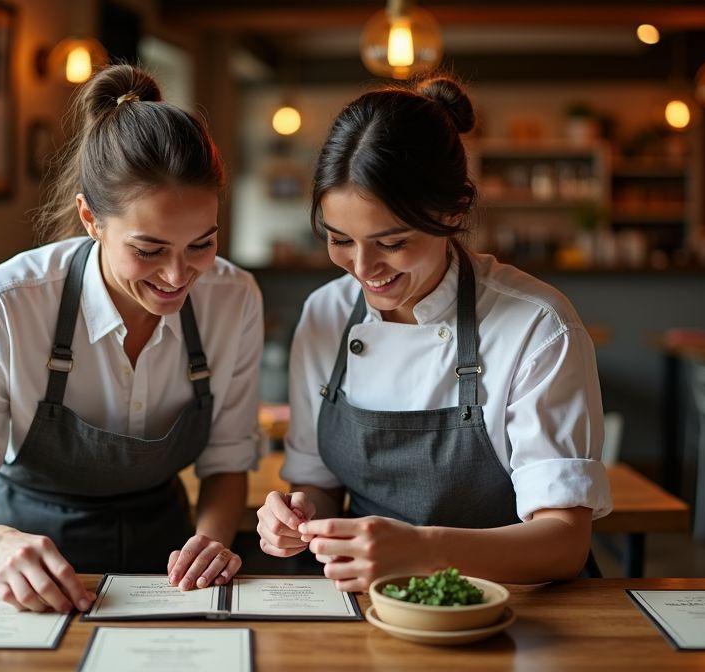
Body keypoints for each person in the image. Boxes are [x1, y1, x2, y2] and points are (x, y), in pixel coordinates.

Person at [0, 65, 263, 613]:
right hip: (21, 576)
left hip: (167, 571)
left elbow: (226, 466)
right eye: (148, 250)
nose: (177, 275)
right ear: (91, 218)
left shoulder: (233, 298)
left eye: (201, 244)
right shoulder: (7, 303)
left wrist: (210, 543)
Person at [256, 75, 612, 591]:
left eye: (392, 242)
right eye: (339, 240)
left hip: (513, 610)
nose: (363, 267)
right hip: (368, 606)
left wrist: (421, 551)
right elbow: (320, 484)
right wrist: (299, 515)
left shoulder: (537, 325)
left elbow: (563, 542)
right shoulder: (325, 314)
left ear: (454, 212)